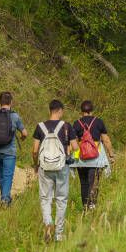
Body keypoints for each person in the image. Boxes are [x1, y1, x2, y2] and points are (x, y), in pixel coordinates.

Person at [32, 99, 77, 243]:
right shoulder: (66, 126)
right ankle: (59, 234)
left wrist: (36, 165)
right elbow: (75, 147)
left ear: (49, 110)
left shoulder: (40, 127)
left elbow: (34, 150)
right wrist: (69, 152)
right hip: (62, 166)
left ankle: (48, 223)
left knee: (45, 198)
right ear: (60, 111)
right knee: (61, 200)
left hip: (45, 167)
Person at [71, 100, 114, 211]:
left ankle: (85, 205)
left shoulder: (76, 123)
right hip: (96, 158)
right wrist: (111, 155)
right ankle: (92, 205)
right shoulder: (98, 122)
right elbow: (106, 140)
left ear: (81, 111)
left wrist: (70, 156)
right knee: (94, 182)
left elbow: (73, 142)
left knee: (84, 183)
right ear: (92, 111)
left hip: (81, 158)